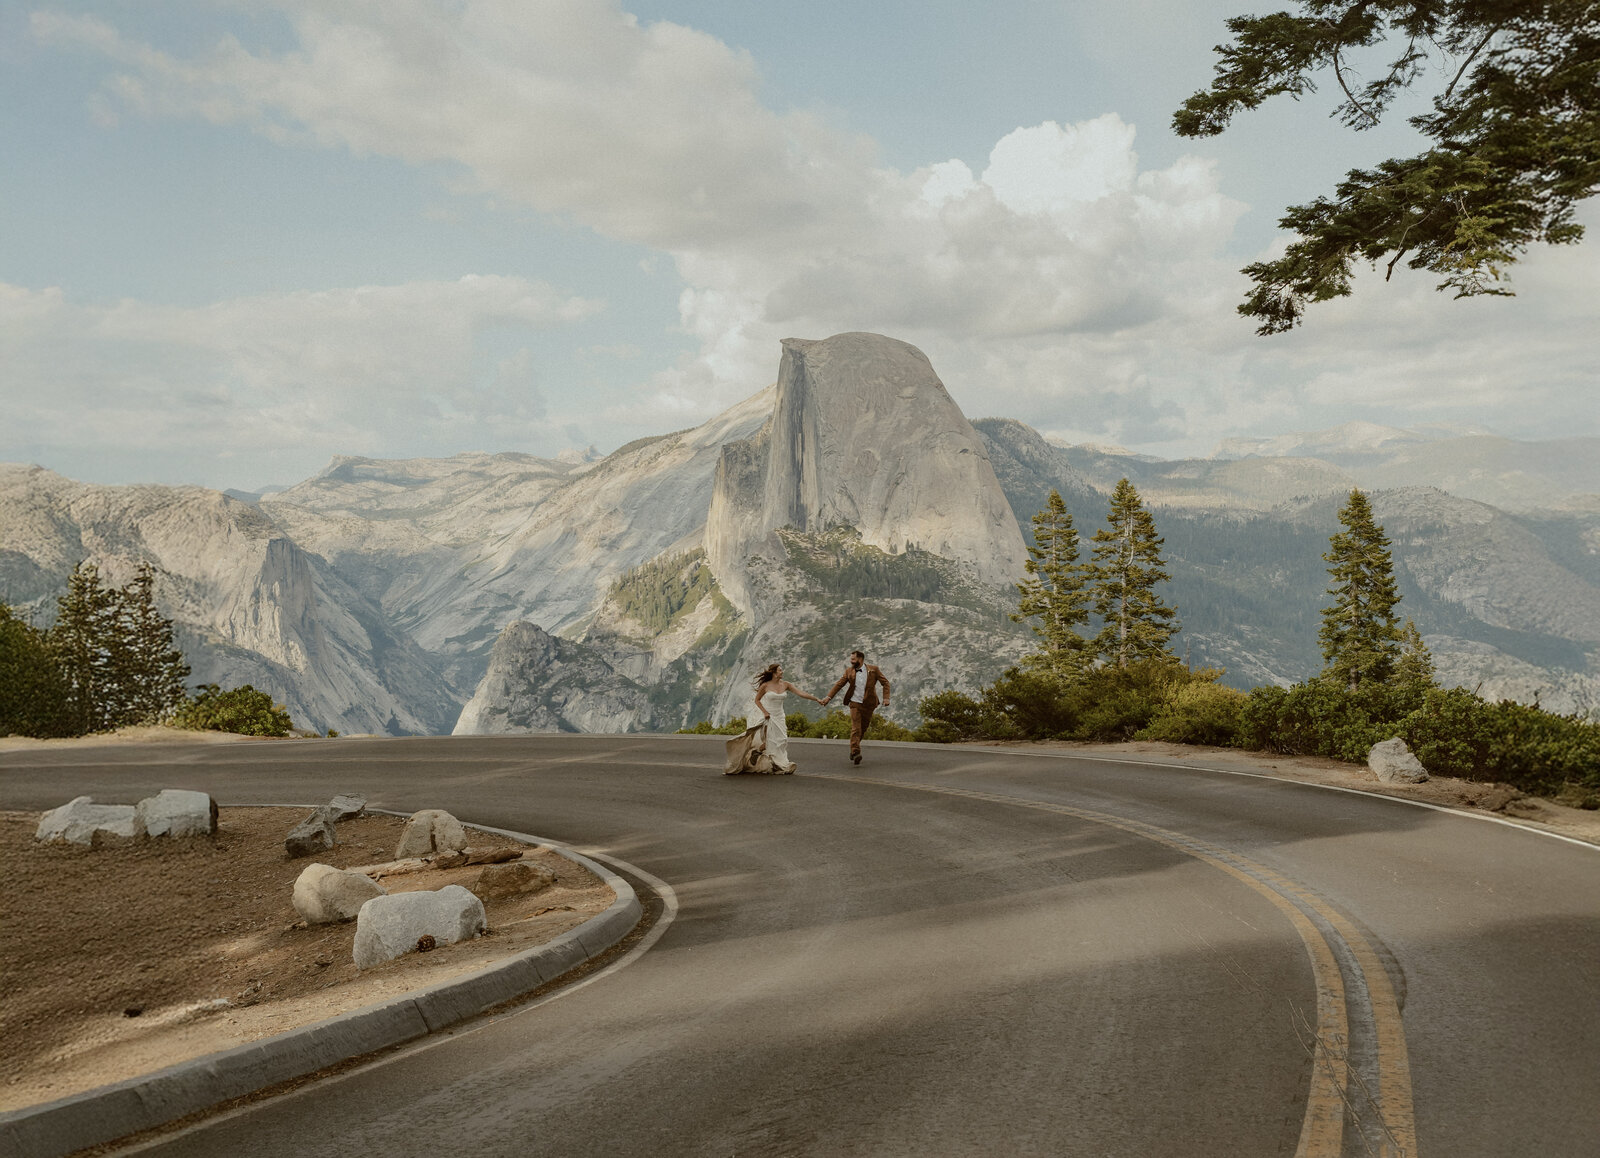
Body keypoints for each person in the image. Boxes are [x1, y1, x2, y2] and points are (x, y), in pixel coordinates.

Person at [752, 662, 824, 774]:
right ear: (774, 673)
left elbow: (801, 693)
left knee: (782, 739)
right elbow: (757, 700)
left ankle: (773, 761)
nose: (782, 672)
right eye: (780, 670)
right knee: (770, 742)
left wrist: (816, 699)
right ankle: (762, 755)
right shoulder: (765, 686)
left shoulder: (786, 684)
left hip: (780, 716)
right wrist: (765, 712)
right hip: (768, 716)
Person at [822, 649, 891, 765]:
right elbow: (839, 685)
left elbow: (885, 683)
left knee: (863, 728)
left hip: (869, 704)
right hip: (855, 703)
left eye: (853, 659)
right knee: (856, 728)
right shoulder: (849, 671)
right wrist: (828, 697)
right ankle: (856, 752)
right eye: (851, 659)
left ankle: (854, 748)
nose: (851, 661)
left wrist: (886, 698)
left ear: (860, 659)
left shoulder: (874, 670)